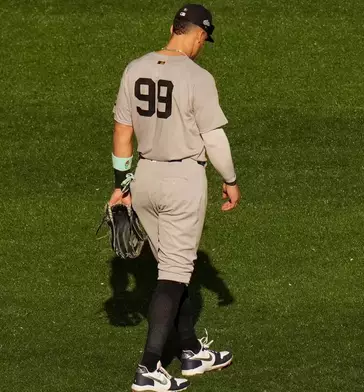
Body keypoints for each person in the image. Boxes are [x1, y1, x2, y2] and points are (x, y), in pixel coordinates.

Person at [108, 4, 240, 391]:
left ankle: (190, 351)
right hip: (182, 180)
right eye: (204, 39)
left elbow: (122, 132)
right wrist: (230, 179)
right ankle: (148, 369)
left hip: (144, 176)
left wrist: (122, 182)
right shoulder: (198, 78)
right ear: (199, 35)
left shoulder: (134, 68)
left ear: (172, 27)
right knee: (175, 273)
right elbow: (214, 138)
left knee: (175, 266)